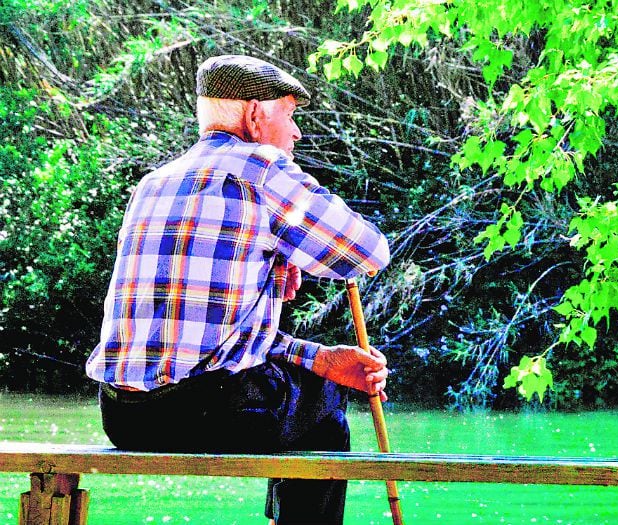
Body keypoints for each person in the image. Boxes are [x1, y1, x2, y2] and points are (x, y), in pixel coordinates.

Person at [86, 54, 391, 525]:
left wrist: (319, 357)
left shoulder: (152, 183)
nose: (297, 134)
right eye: (289, 114)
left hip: (122, 417)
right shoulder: (264, 173)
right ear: (254, 114)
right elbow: (368, 252)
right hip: (208, 411)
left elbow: (214, 336)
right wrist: (290, 247)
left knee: (314, 382)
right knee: (326, 405)